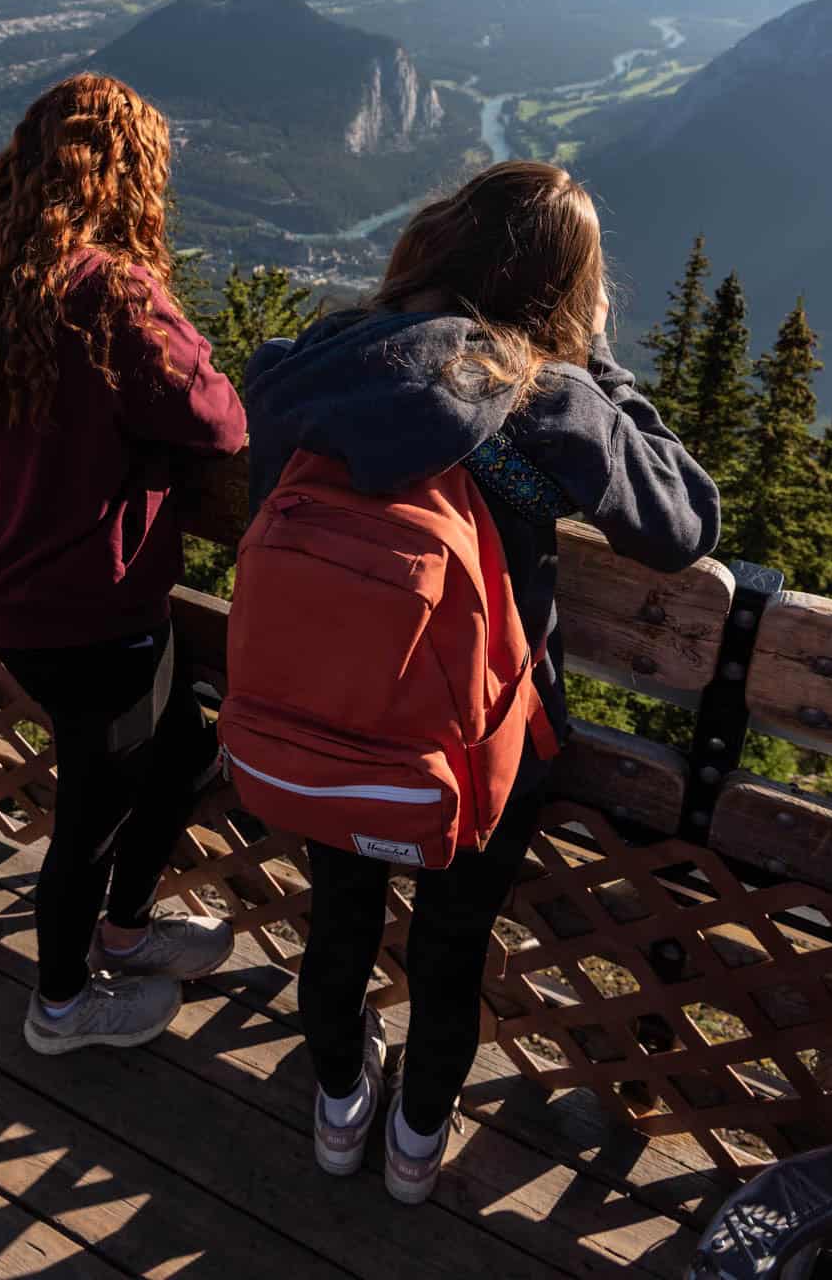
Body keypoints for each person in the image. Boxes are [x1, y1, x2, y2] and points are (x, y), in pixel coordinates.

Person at [239, 160, 720, 1203]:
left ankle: (337, 1109)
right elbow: (686, 520)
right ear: (555, 286)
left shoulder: (304, 366)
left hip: (325, 716)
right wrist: (600, 364)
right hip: (482, 747)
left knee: (340, 921)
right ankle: (415, 1145)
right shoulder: (536, 397)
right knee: (451, 948)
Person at [0, 71, 247, 1056]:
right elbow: (221, 421)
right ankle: (62, 1007)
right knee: (90, 822)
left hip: (20, 604)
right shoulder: (107, 289)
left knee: (182, 753)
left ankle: (128, 930)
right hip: (99, 612)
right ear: (122, 177)